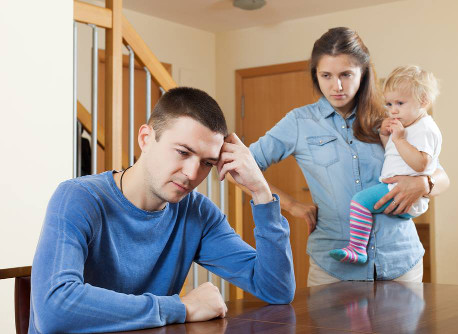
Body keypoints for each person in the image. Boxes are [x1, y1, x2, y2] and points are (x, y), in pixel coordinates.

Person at [29, 87, 295, 334]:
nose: (192, 174)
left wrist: (260, 191)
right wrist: (182, 308)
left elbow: (276, 289)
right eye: (182, 152)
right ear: (146, 138)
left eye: (206, 163)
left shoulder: (198, 214)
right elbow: (54, 309)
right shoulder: (78, 198)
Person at [249, 27, 449, 286]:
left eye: (346, 74)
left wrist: (424, 184)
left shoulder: (390, 116)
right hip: (333, 270)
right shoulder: (299, 122)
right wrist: (291, 205)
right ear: (316, 76)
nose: (337, 86)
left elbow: (440, 175)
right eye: (326, 75)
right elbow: (241, 168)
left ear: (363, 73)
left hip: (401, 262)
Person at [330, 65, 442, 264]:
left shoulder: (424, 128)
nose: (393, 110)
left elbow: (422, 164)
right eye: (389, 104)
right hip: (395, 188)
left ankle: (357, 249)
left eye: (400, 103)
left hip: (398, 189)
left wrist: (399, 140)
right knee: (362, 201)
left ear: (423, 101)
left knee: (359, 201)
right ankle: (358, 248)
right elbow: (392, 155)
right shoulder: (407, 125)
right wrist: (386, 136)